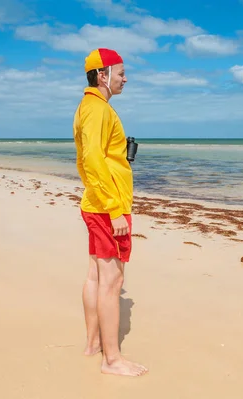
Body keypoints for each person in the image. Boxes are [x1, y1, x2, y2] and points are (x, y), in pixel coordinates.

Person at [72, 48, 147, 377]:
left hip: (97, 202)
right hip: (107, 207)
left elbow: (90, 159)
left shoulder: (88, 108)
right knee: (112, 281)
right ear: (102, 75)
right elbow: (92, 161)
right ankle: (112, 360)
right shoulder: (98, 110)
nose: (124, 78)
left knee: (96, 275)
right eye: (120, 73)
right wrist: (115, 209)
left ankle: (93, 345)